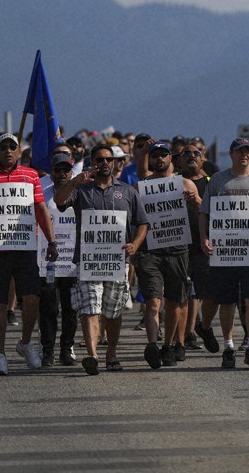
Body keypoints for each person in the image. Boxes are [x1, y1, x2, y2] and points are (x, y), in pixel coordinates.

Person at [0, 133, 59, 375]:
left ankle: (25, 343)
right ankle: (0, 354)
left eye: (12, 146)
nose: (7, 150)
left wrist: (51, 241)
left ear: (18, 150)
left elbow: (41, 209)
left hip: (24, 248)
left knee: (32, 297)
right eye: (3, 146)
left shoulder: (31, 175)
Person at [53, 144, 148, 375]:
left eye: (108, 159)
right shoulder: (81, 190)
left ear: (114, 163)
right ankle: (92, 355)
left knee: (113, 312)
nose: (104, 163)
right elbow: (59, 201)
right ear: (92, 163)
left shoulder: (127, 191)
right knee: (89, 308)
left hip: (116, 261)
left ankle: (111, 354)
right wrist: (74, 182)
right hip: (88, 261)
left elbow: (142, 223)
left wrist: (135, 244)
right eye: (99, 159)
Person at [198, 138, 249, 369]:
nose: (244, 154)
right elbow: (204, 212)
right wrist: (204, 237)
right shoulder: (217, 180)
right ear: (231, 153)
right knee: (227, 301)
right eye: (240, 151)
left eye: (248, 151)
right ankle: (228, 347)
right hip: (224, 251)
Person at [135, 141, 202, 368]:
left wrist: (195, 201)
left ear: (170, 159)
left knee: (175, 301)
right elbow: (135, 220)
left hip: (178, 249)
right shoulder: (142, 187)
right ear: (150, 160)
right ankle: (152, 345)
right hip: (151, 251)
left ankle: (169, 345)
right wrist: (134, 246)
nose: (159, 159)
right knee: (153, 301)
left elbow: (203, 213)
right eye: (155, 156)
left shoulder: (185, 184)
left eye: (163, 155)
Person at [38, 151, 81, 367]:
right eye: (58, 170)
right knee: (49, 308)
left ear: (71, 172)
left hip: (72, 261)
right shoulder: (42, 195)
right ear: (51, 172)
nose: (62, 173)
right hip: (48, 262)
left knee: (71, 308)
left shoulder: (80, 194)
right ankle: (47, 350)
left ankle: (67, 348)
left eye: (66, 170)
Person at [177, 141, 212, 351]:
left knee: (206, 294)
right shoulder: (171, 183)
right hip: (178, 245)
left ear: (202, 159)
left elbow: (219, 214)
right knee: (183, 293)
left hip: (203, 246)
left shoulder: (211, 183)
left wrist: (198, 202)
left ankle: (202, 327)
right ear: (178, 161)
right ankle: (184, 336)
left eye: (196, 153)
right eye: (186, 153)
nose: (191, 156)